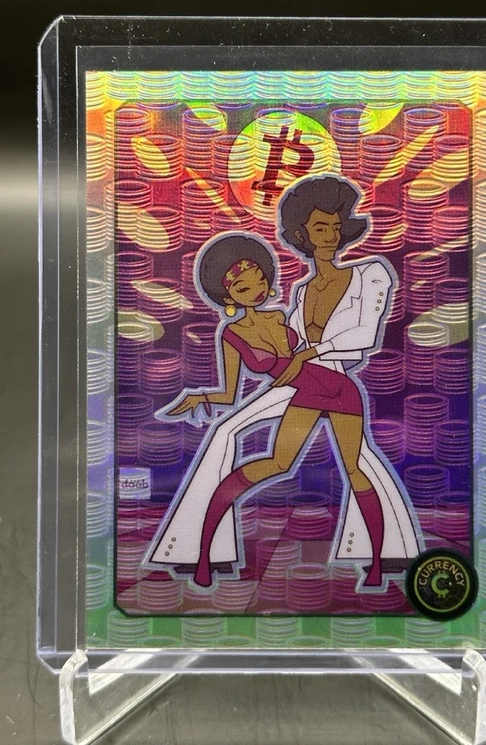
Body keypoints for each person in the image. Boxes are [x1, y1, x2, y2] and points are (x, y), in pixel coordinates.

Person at [145, 178, 422, 588]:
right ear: (302, 235)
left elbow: (363, 334)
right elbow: (236, 389)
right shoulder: (297, 295)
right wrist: (200, 397)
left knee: (356, 468)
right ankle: (203, 550)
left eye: (335, 225)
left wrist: (308, 355)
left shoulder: (370, 273)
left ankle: (380, 561)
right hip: (304, 390)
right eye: (319, 227)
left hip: (337, 386)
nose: (329, 235)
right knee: (271, 459)